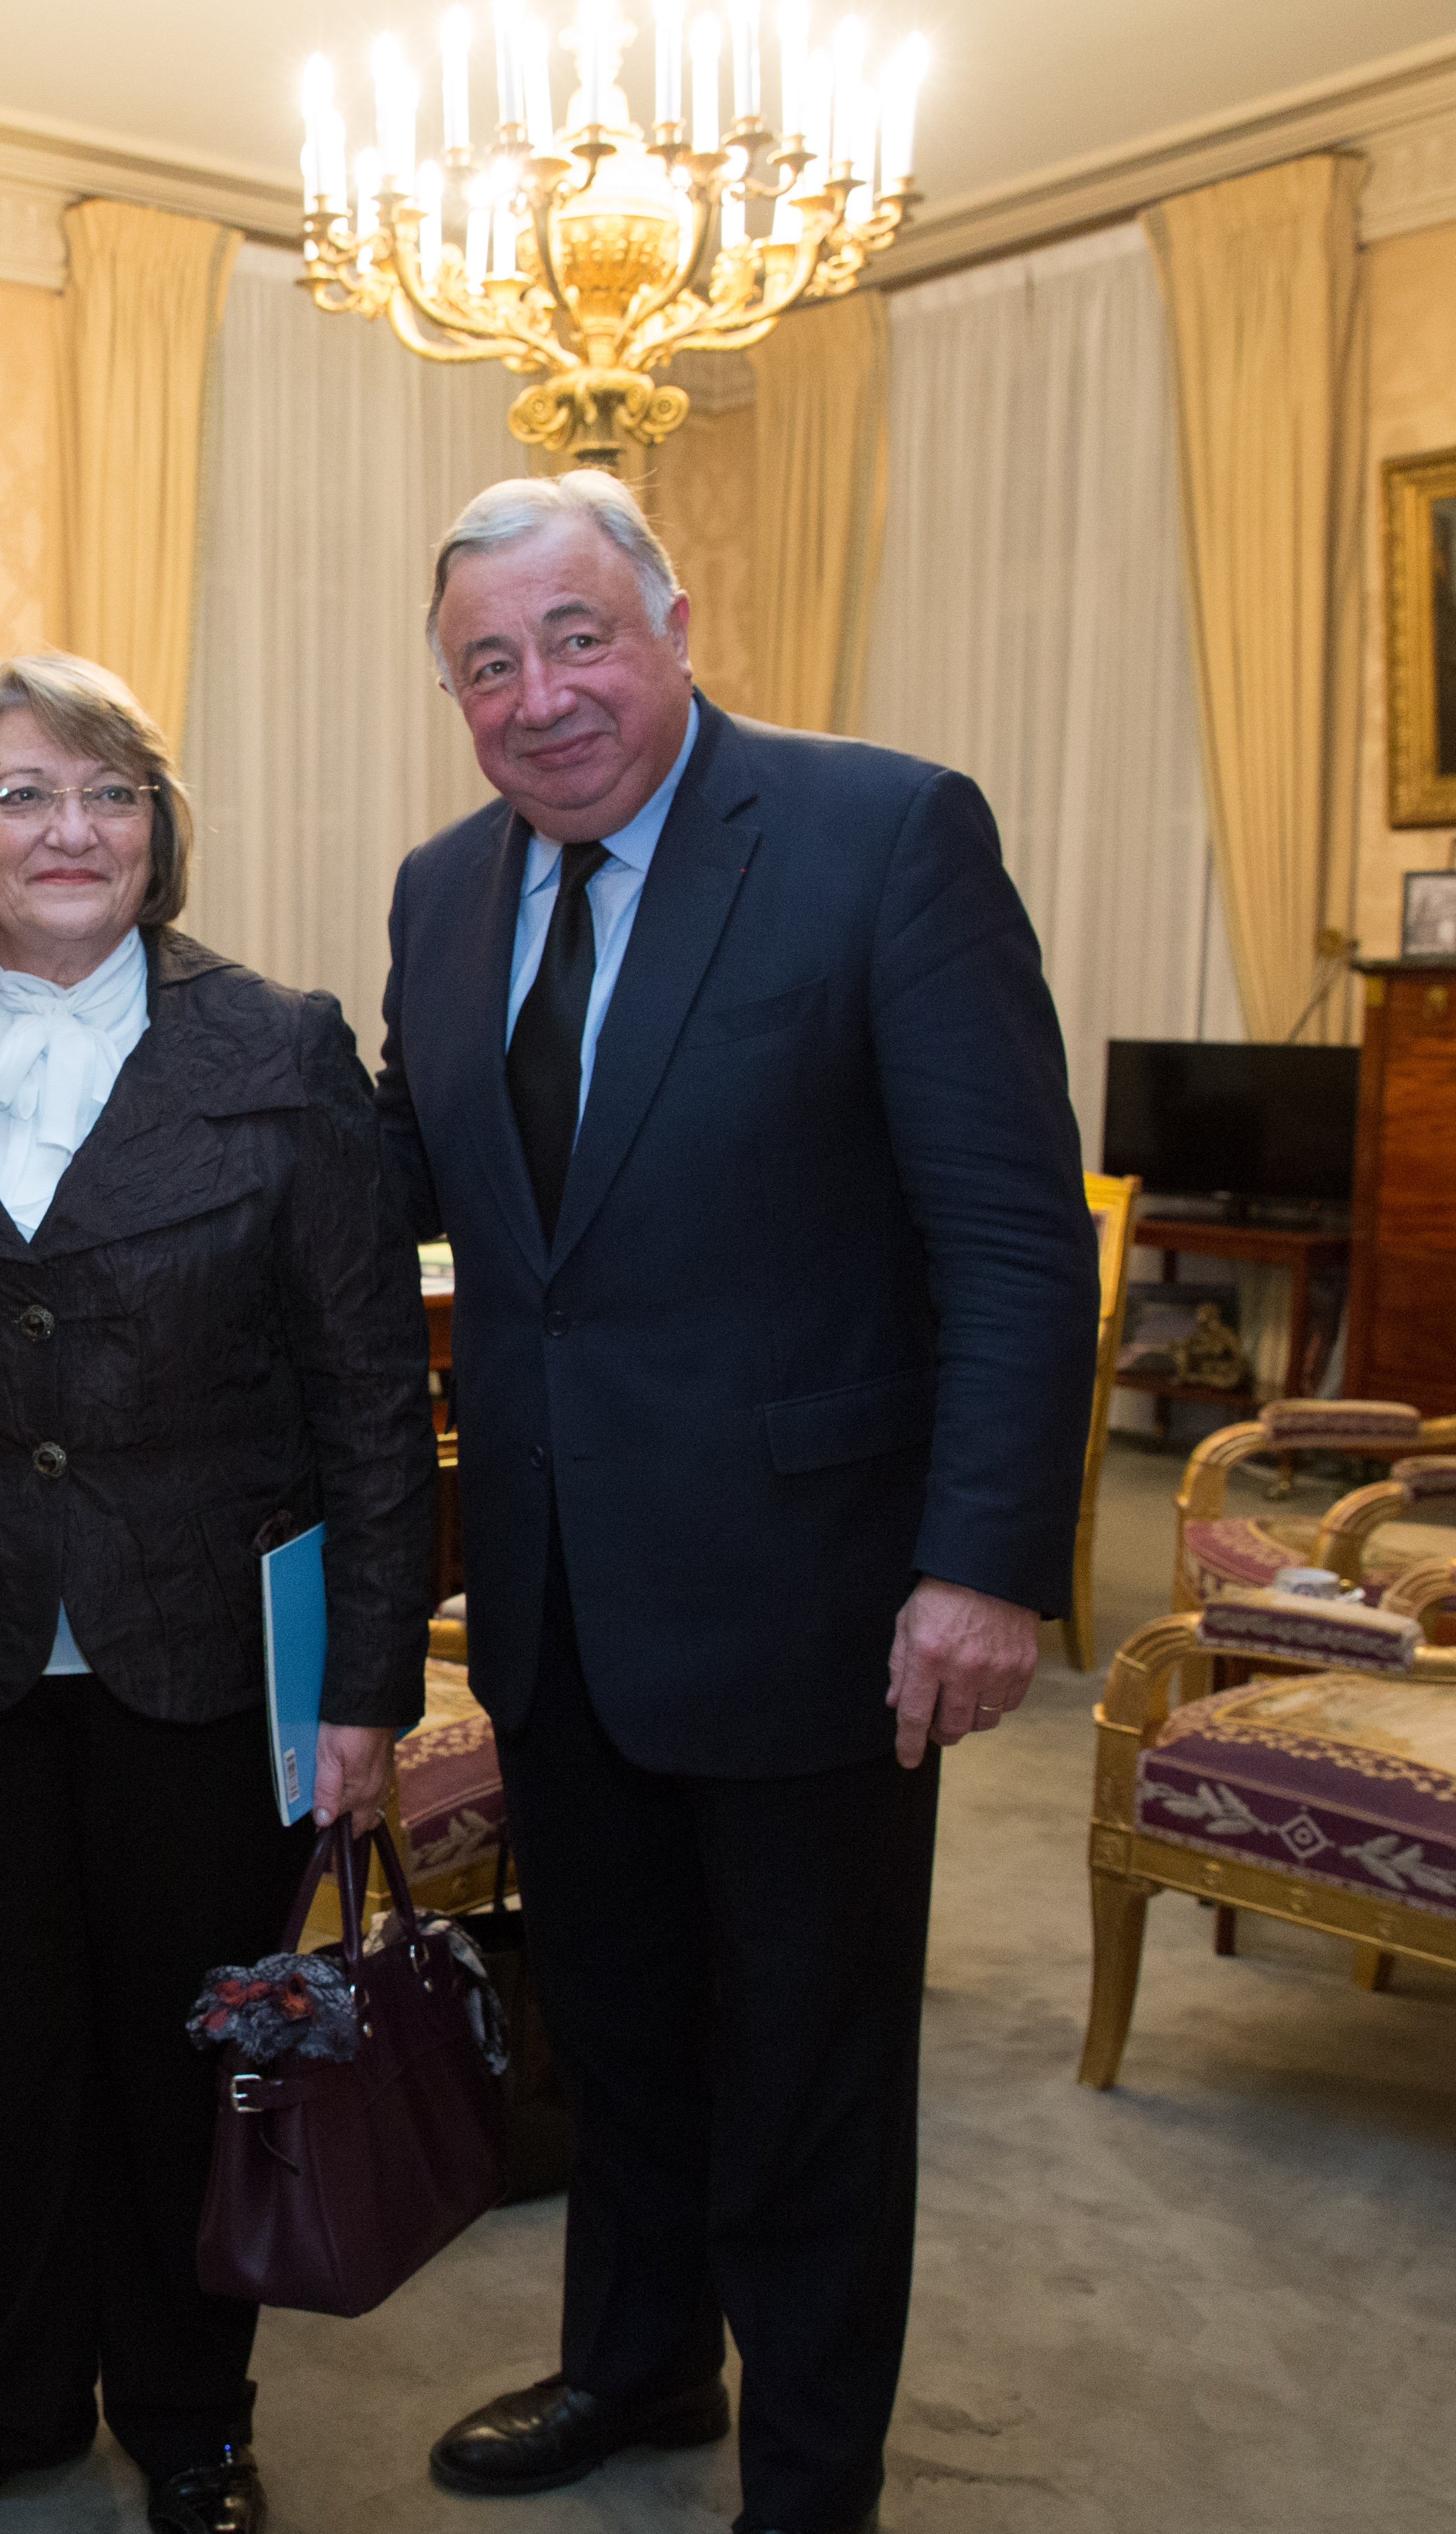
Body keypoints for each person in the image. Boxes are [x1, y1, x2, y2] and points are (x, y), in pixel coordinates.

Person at [375, 472, 1096, 2534]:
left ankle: (808, 2472)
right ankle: (637, 2360)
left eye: (578, 636)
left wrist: (980, 1560)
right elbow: (433, 1187)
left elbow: (1016, 1241)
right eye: (488, 663)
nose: (541, 694)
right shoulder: (442, 890)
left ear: (676, 620)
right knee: (609, 2018)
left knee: (807, 2056)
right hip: (553, 1587)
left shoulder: (882, 834)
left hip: (818, 1596)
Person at [0, 655, 436, 2534]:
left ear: (159, 836)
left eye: (114, 795)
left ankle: (191, 2411)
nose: (76, 830)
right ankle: (4, 2392)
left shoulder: (280, 1046)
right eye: (29, 796)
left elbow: (367, 1385)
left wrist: (365, 1680)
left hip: (207, 1656)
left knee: (189, 2051)